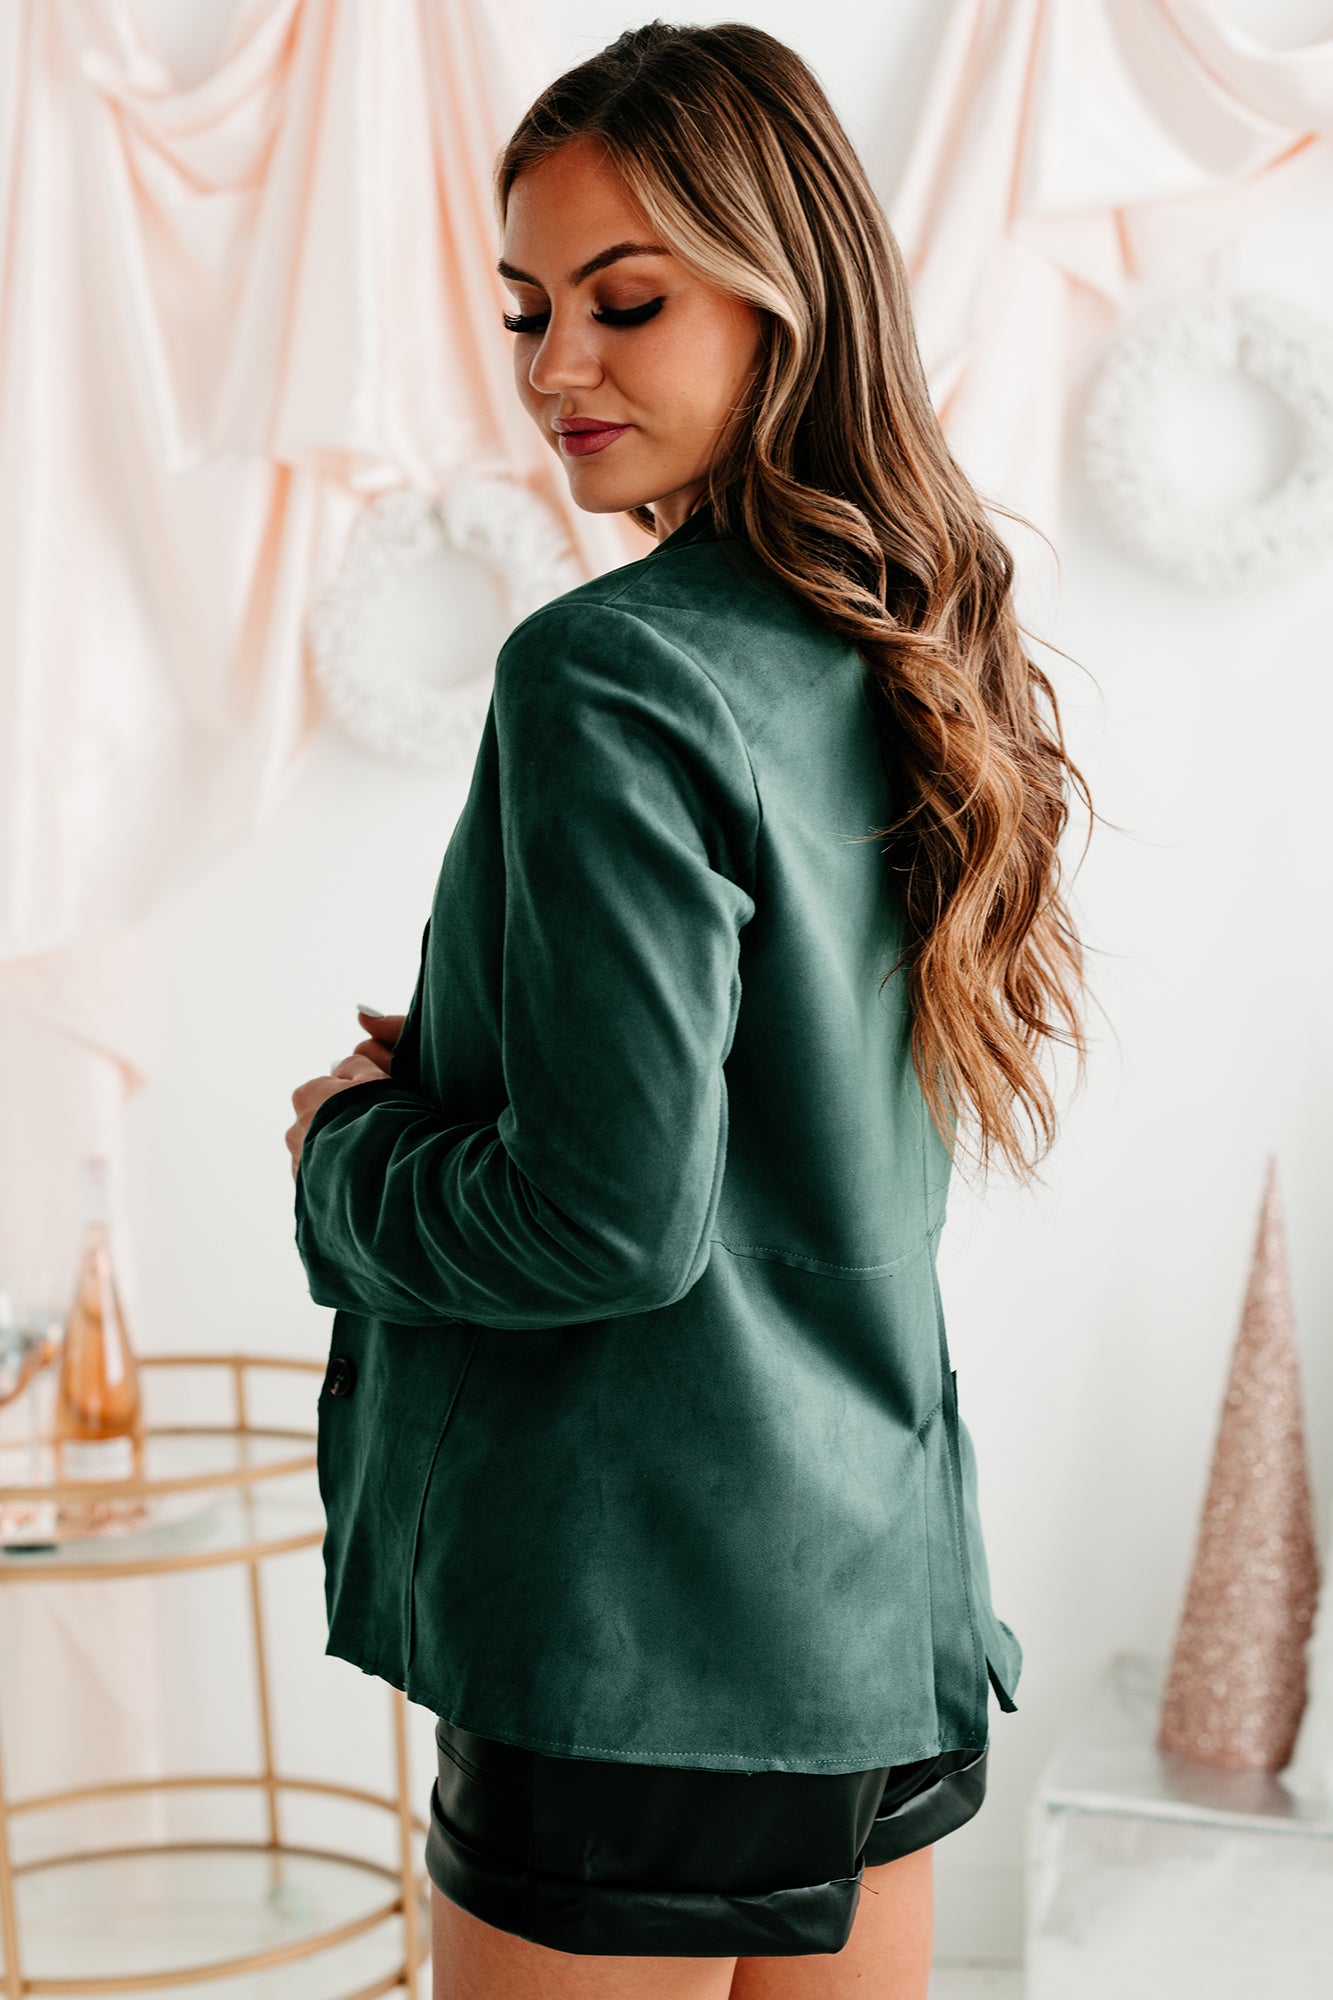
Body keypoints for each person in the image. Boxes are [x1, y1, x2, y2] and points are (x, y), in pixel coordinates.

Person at [287, 21, 1090, 1999]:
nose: (555, 365)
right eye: (526, 309)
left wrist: (345, 1154)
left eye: (623, 302)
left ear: (782, 295)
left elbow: (602, 1219)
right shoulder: (913, 635)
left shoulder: (609, 672)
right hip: (878, 1622)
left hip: (633, 1646)